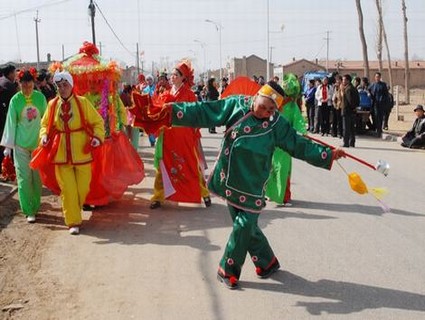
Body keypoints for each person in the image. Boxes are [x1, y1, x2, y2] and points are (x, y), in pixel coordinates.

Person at [153, 80, 345, 289]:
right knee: (247, 226)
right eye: (263, 106)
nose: (265, 112)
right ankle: (267, 262)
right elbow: (205, 111)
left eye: (271, 109)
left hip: (254, 184)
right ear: (256, 97)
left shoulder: (277, 124)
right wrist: (173, 112)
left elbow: (298, 144)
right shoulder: (235, 105)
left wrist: (327, 154)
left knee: (244, 225)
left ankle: (228, 268)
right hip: (230, 177)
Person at [39, 71, 105, 235]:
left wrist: (97, 137)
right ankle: (73, 221)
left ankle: (74, 210)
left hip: (82, 152)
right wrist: (44, 135)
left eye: (65, 85)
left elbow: (97, 122)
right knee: (68, 190)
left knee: (82, 188)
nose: (62, 89)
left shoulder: (83, 102)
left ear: (71, 85)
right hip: (61, 154)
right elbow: (45, 124)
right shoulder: (52, 104)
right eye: (59, 86)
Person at [150, 60, 211, 209]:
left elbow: (195, 113)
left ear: (183, 77)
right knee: (164, 165)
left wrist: (175, 107)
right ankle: (158, 196)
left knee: (190, 165)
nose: (172, 77)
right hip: (168, 134)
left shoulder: (189, 94)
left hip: (184, 134)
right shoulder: (166, 93)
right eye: (172, 74)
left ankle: (204, 193)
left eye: (176, 75)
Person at [0, 68, 47, 223]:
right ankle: (28, 210)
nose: (27, 89)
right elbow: (11, 123)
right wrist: (8, 146)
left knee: (37, 178)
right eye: (23, 86)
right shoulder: (15, 100)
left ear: (34, 84)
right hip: (20, 146)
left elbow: (46, 121)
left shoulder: (40, 98)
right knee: (23, 178)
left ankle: (35, 205)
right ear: (19, 84)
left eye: (30, 86)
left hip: (38, 146)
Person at [0, 64, 18, 170]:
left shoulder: (2, 81)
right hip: (5, 119)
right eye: (14, 72)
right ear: (10, 73)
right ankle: (7, 169)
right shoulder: (8, 85)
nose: (15, 74)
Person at [341, 74, 360, 148]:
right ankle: (352, 142)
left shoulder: (348, 89)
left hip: (347, 111)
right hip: (352, 111)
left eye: (344, 80)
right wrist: (355, 107)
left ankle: (346, 143)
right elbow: (358, 100)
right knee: (352, 128)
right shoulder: (354, 88)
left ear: (348, 80)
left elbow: (350, 100)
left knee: (346, 128)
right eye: (342, 80)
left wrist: (352, 107)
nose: (343, 81)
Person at [369, 72, 390, 137]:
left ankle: (379, 130)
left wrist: (384, 102)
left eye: (378, 77)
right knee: (375, 117)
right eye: (376, 77)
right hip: (374, 104)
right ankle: (376, 129)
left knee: (380, 117)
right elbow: (368, 90)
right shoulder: (372, 85)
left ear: (380, 77)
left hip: (381, 104)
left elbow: (386, 95)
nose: (377, 78)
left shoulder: (383, 85)